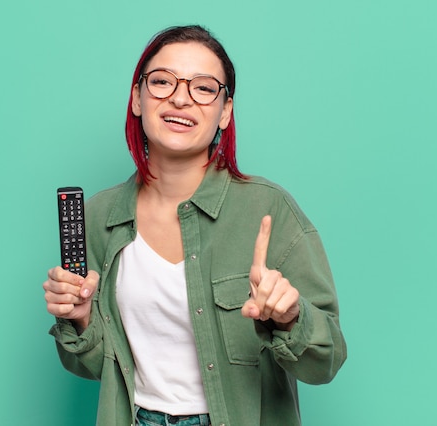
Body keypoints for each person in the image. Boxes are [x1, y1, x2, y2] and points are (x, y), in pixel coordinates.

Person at [43, 25, 346, 426]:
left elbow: (326, 362)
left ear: (225, 111)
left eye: (204, 88)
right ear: (137, 98)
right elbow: (98, 368)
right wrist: (80, 318)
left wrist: (290, 317)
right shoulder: (100, 217)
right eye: (163, 81)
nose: (181, 98)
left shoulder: (269, 209)